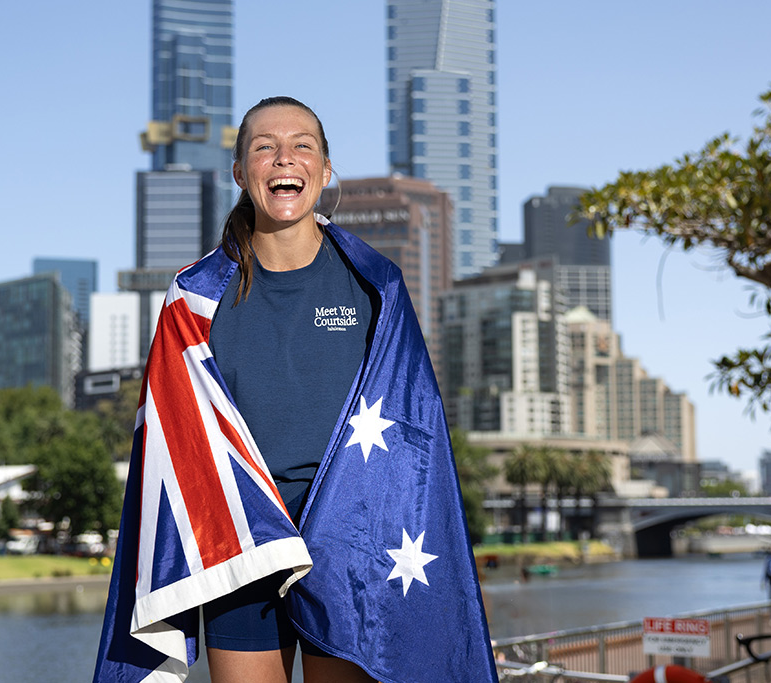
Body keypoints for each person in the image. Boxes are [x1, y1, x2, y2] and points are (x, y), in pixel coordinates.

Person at [93, 97, 498, 683]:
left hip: (353, 541)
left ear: (325, 170)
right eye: (264, 147)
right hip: (241, 544)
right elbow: (171, 442)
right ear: (240, 172)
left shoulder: (376, 285)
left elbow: (418, 433)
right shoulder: (193, 298)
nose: (284, 157)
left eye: (302, 145)